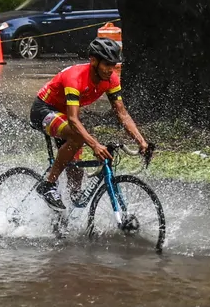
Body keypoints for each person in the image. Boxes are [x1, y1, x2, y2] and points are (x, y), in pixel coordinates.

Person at [29, 37, 150, 210]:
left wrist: (141, 141)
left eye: (114, 64)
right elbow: (73, 119)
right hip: (43, 110)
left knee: (76, 168)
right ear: (93, 60)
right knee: (78, 137)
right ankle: (48, 185)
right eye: (107, 64)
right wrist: (95, 145)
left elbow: (122, 114)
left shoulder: (111, 80)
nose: (111, 70)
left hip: (64, 114)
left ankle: (67, 213)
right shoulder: (75, 78)